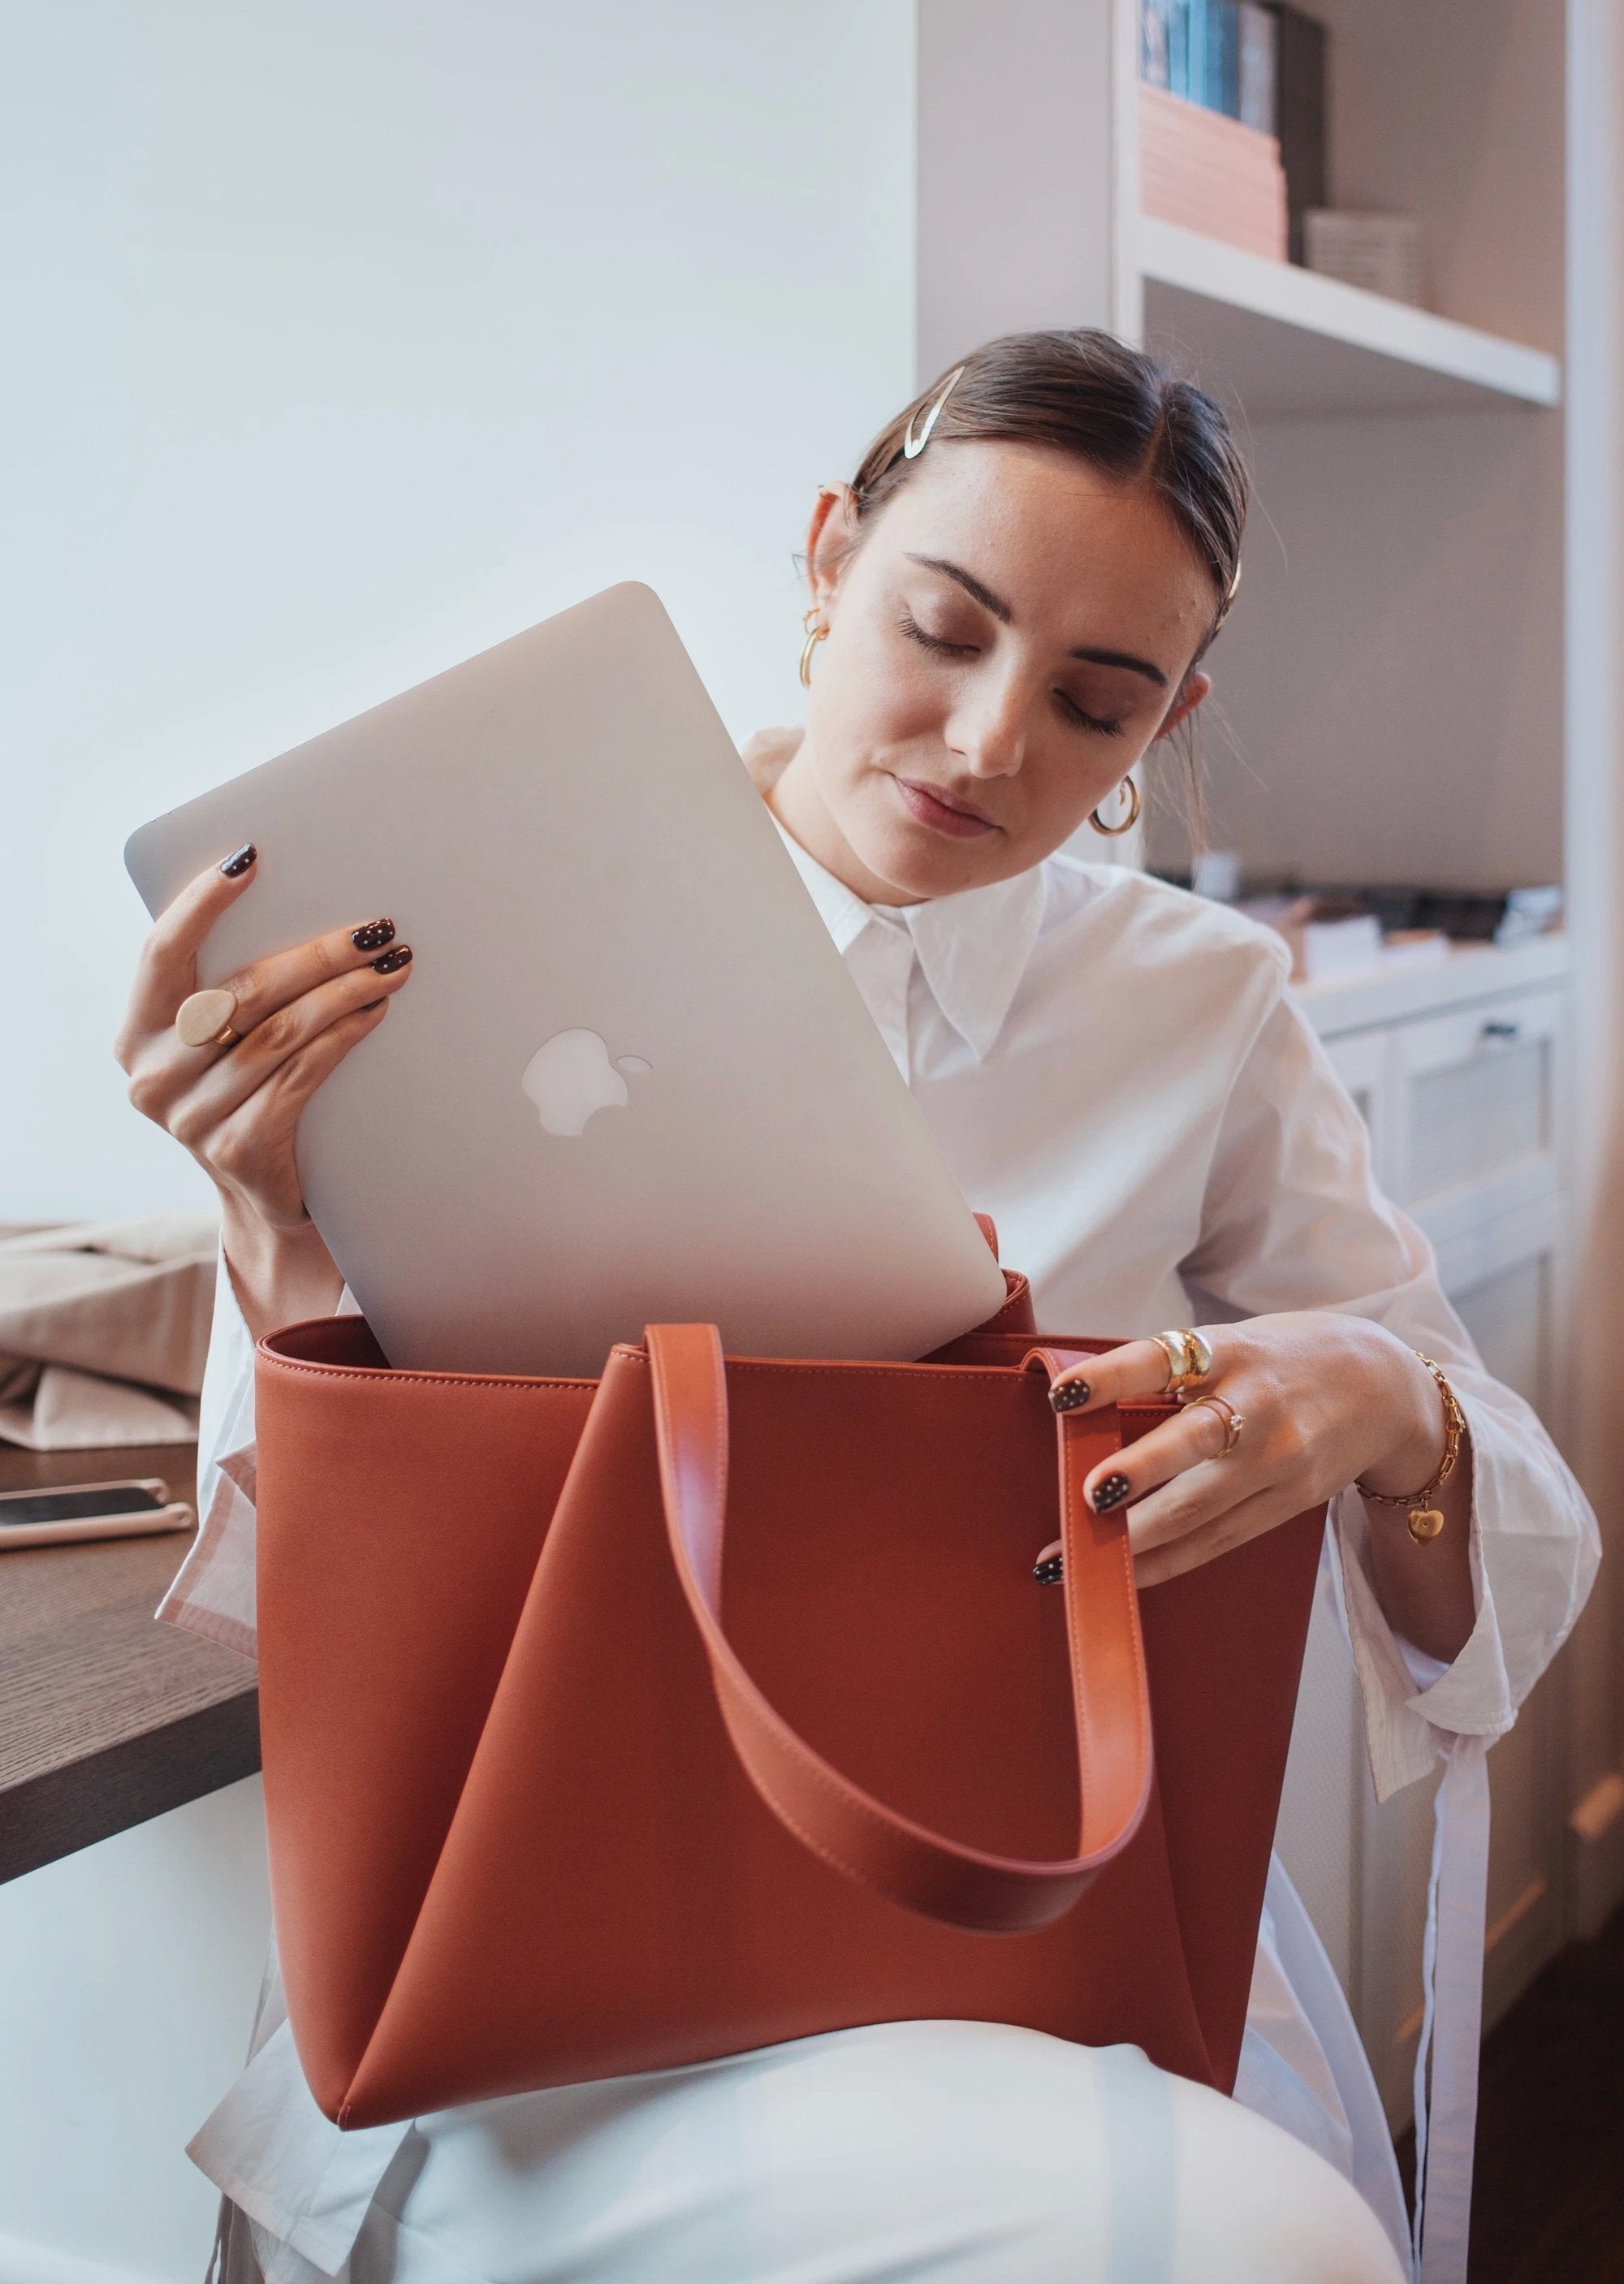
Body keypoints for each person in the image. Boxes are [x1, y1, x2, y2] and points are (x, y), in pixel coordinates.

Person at [116, 330, 1598, 2284]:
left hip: (1028, 1918)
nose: (994, 743)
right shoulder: (465, 904)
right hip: (537, 1915)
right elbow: (293, 1589)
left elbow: (1494, 1551)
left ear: (1170, 726)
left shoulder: (1201, 1005)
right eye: (944, 626)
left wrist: (1375, 1399)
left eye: (1097, 700)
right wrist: (268, 1219)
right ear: (825, 560)